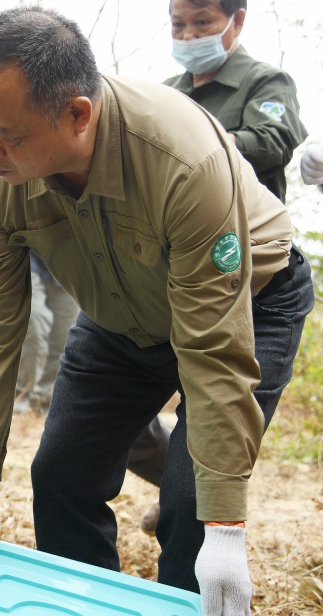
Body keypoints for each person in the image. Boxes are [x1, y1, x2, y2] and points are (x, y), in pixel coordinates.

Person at [0, 7, 313, 616]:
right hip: (121, 313)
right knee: (62, 474)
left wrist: (226, 528)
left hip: (246, 301)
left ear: (76, 114)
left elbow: (213, 349)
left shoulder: (181, 157)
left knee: (194, 505)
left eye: (2, 132)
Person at [132, 0, 307, 534]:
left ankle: (193, 508)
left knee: (209, 404)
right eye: (178, 24)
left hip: (240, 271)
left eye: (201, 23)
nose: (187, 35)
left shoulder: (264, 81)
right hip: (164, 275)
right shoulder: (166, 92)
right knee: (119, 416)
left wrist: (202, 147)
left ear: (237, 19)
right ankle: (180, 484)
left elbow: (275, 142)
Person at [13, 255, 78, 415]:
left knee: (65, 336)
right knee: (33, 323)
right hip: (27, 255)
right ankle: (22, 397)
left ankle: (45, 400)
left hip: (70, 263)